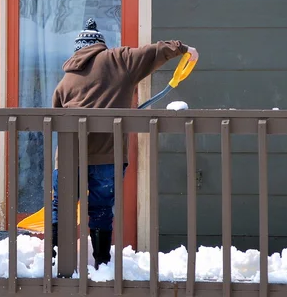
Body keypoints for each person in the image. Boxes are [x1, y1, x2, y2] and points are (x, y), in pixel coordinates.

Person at [50, 18, 198, 269]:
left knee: (61, 205)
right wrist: (184, 49)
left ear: (78, 50)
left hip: (67, 157)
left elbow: (55, 119)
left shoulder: (65, 81)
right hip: (107, 155)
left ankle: (55, 260)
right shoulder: (118, 60)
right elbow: (153, 51)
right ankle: (101, 263)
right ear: (100, 46)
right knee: (101, 209)